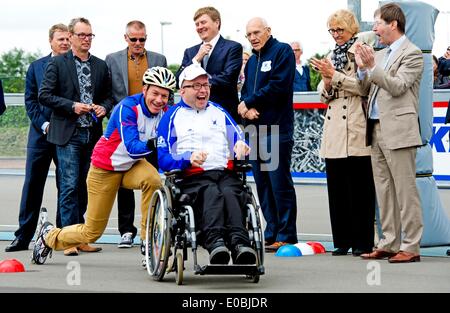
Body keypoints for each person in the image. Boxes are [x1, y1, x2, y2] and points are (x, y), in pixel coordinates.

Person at [31, 67, 176, 265]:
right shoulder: (128, 108)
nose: (159, 100)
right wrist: (157, 142)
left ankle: (148, 240)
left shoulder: (166, 112)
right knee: (92, 232)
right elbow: (133, 147)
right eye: (155, 93)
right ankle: (49, 235)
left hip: (131, 166)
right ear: (144, 90)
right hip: (105, 168)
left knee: (153, 180)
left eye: (165, 96)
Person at [157, 64, 257, 265]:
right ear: (182, 89)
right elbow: (163, 158)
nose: (203, 90)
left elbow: (237, 137)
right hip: (191, 175)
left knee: (231, 192)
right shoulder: (171, 117)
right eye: (196, 86)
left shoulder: (218, 111)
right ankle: (215, 243)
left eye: (206, 85)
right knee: (211, 192)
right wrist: (187, 158)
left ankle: (240, 244)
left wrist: (240, 145)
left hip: (223, 171)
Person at [38, 17, 113, 256]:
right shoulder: (58, 64)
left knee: (86, 187)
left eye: (90, 35)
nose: (86, 40)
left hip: (92, 134)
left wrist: (104, 107)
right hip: (68, 134)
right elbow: (45, 95)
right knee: (69, 186)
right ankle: (67, 240)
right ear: (70, 37)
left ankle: (81, 237)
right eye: (82, 35)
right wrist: (72, 106)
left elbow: (109, 97)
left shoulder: (101, 65)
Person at [355, 3, 424, 263]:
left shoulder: (413, 53)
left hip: (399, 130)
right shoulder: (380, 55)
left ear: (393, 24)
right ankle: (389, 242)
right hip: (375, 129)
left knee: (405, 190)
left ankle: (411, 246)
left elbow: (397, 87)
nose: (374, 29)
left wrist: (372, 68)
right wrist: (362, 68)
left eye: (378, 24)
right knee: (384, 190)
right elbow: (365, 88)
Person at [310, 10, 375, 257]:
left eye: (340, 30)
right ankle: (342, 240)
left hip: (357, 125)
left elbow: (364, 86)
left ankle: (363, 241)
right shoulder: (330, 55)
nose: (336, 35)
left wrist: (333, 76)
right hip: (335, 127)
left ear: (352, 30)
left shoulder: (363, 50)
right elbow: (323, 94)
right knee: (337, 187)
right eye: (332, 30)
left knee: (360, 188)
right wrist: (326, 82)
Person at [6, 24, 72, 253]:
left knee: (67, 185)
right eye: (61, 39)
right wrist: (44, 125)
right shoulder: (35, 67)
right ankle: (23, 236)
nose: (65, 42)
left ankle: (63, 236)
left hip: (66, 135)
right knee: (32, 184)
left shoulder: (75, 66)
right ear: (51, 41)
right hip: (40, 135)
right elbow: (30, 102)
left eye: (67, 39)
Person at [105, 20, 167, 249]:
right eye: (134, 39)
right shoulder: (112, 59)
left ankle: (149, 229)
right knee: (125, 180)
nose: (138, 43)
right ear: (126, 38)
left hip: (151, 128)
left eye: (143, 39)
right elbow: (110, 93)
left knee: (151, 178)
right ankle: (126, 230)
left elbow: (164, 94)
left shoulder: (159, 59)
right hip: (126, 128)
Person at [238, 17, 298, 252]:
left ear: (268, 31)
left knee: (278, 183)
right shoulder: (252, 60)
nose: (253, 37)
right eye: (249, 34)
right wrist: (247, 108)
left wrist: (249, 101)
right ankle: (271, 232)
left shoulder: (282, 51)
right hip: (254, 130)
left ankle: (286, 233)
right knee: (262, 184)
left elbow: (279, 85)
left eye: (256, 32)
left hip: (275, 128)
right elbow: (246, 91)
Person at [177, 6, 242, 121]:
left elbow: (228, 78)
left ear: (216, 23)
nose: (199, 27)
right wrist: (196, 59)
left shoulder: (233, 47)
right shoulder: (191, 52)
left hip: (224, 114)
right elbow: (179, 79)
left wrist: (198, 85)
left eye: (203, 22)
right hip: (194, 116)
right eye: (197, 24)